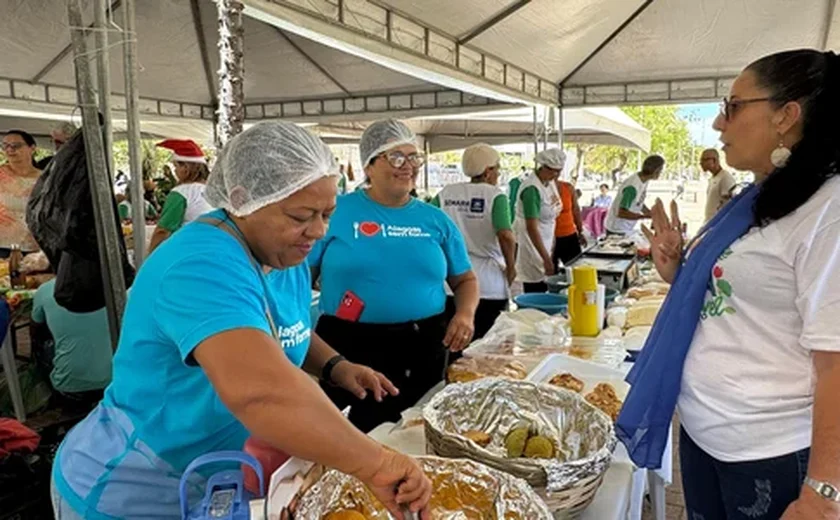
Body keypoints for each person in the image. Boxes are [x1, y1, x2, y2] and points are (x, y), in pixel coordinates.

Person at [51, 122, 432, 519]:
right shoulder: (200, 264)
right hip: (131, 488)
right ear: (242, 199)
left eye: (327, 214)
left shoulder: (284, 253)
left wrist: (336, 366)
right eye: (302, 215)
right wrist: (377, 464)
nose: (318, 231)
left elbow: (282, 332)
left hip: (215, 479)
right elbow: (261, 390)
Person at [617, 49, 840, 520]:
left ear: (786, 116)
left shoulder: (828, 209)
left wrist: (823, 493)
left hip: (768, 452)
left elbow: (835, 362)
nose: (719, 123)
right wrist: (678, 268)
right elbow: (742, 303)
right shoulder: (762, 194)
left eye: (733, 106)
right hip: (704, 434)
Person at [309, 119, 479, 433]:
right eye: (396, 157)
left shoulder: (434, 219)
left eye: (414, 158)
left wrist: (465, 315)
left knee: (416, 431)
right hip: (348, 346)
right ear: (369, 166)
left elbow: (464, 279)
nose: (408, 166)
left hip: (423, 343)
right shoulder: (335, 212)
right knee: (350, 436)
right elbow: (298, 279)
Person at [432, 143, 516, 339]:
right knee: (488, 348)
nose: (498, 175)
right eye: (498, 169)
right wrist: (511, 267)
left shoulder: (446, 194)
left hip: (450, 282)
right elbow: (506, 235)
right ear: (488, 171)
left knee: (453, 345)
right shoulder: (495, 196)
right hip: (489, 285)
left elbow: (428, 230)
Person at [30, 279, 112, 411]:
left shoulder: (46, 290)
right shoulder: (119, 287)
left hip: (69, 390)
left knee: (43, 343)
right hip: (117, 382)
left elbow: (35, 332)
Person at [147, 139, 214, 254]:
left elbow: (162, 232)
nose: (175, 171)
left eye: (176, 166)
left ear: (186, 168)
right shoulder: (214, 190)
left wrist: (150, 259)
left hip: (188, 251)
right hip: (213, 248)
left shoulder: (181, 193)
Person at [514, 149, 564, 293]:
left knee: (544, 281)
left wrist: (552, 246)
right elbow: (532, 228)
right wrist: (546, 258)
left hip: (546, 240)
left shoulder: (550, 182)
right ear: (543, 167)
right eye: (553, 171)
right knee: (535, 284)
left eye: (559, 172)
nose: (556, 175)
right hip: (532, 243)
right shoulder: (532, 189)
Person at [0, 130, 41, 256]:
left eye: (16, 146)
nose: (10, 150)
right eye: (5, 145)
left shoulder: (45, 178)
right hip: (2, 244)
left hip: (35, 246)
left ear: (32, 148)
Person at [604, 155, 664, 235]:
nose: (661, 173)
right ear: (655, 171)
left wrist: (649, 213)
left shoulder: (644, 181)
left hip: (626, 227)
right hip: (617, 228)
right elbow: (621, 213)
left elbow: (637, 202)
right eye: (660, 170)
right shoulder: (632, 187)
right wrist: (643, 217)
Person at [552, 178, 587, 266]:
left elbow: (576, 211)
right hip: (548, 238)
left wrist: (580, 231)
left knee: (576, 268)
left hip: (569, 235)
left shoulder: (568, 187)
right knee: (550, 273)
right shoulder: (539, 189)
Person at [701, 148, 737, 222]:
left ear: (714, 160)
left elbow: (729, 205)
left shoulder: (725, 177)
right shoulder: (713, 178)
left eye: (704, 160)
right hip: (709, 223)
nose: (701, 163)